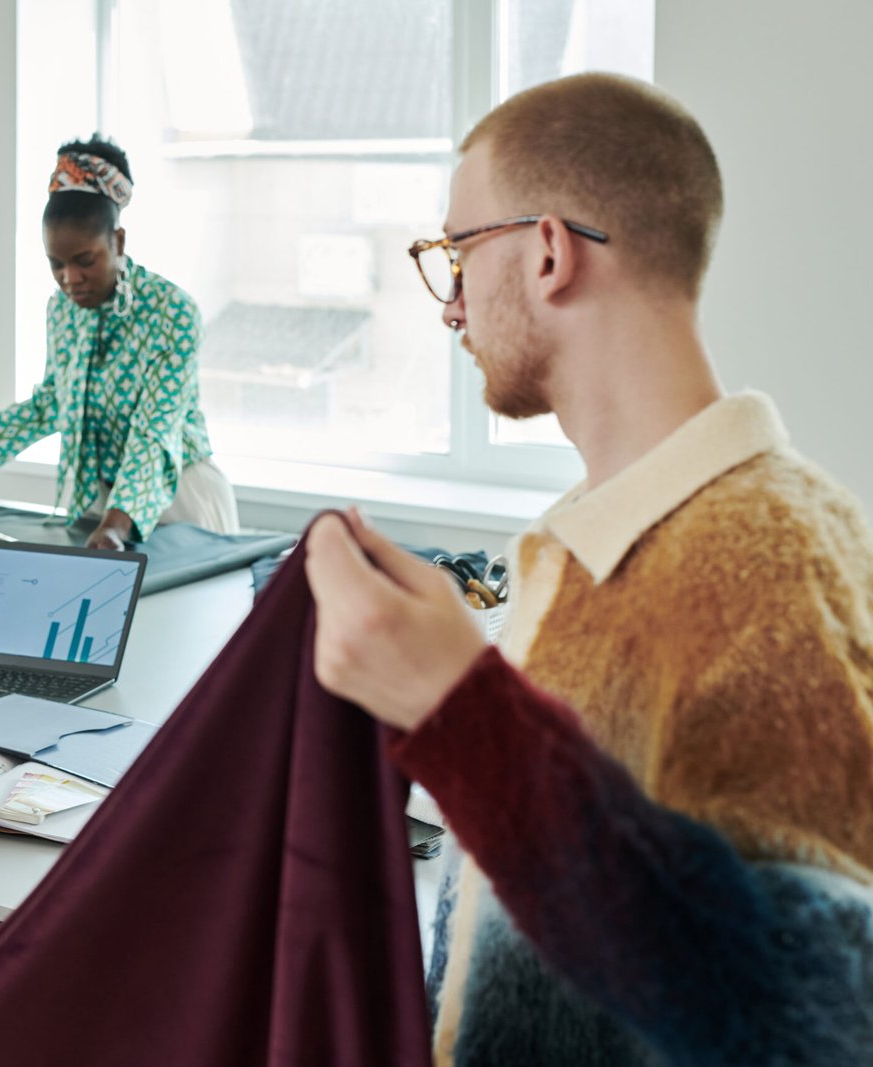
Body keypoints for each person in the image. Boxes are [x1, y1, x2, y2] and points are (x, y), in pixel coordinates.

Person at [304, 74, 873, 1063]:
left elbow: (812, 1027)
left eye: (456, 253)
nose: (449, 307)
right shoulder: (584, 537)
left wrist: (462, 716)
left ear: (547, 250)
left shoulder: (774, 563)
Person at [0, 136, 237, 550]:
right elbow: (50, 405)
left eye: (85, 261)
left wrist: (114, 527)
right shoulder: (62, 310)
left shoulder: (172, 312)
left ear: (118, 242)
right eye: (56, 264)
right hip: (100, 509)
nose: (70, 278)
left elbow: (154, 435)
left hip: (178, 500)